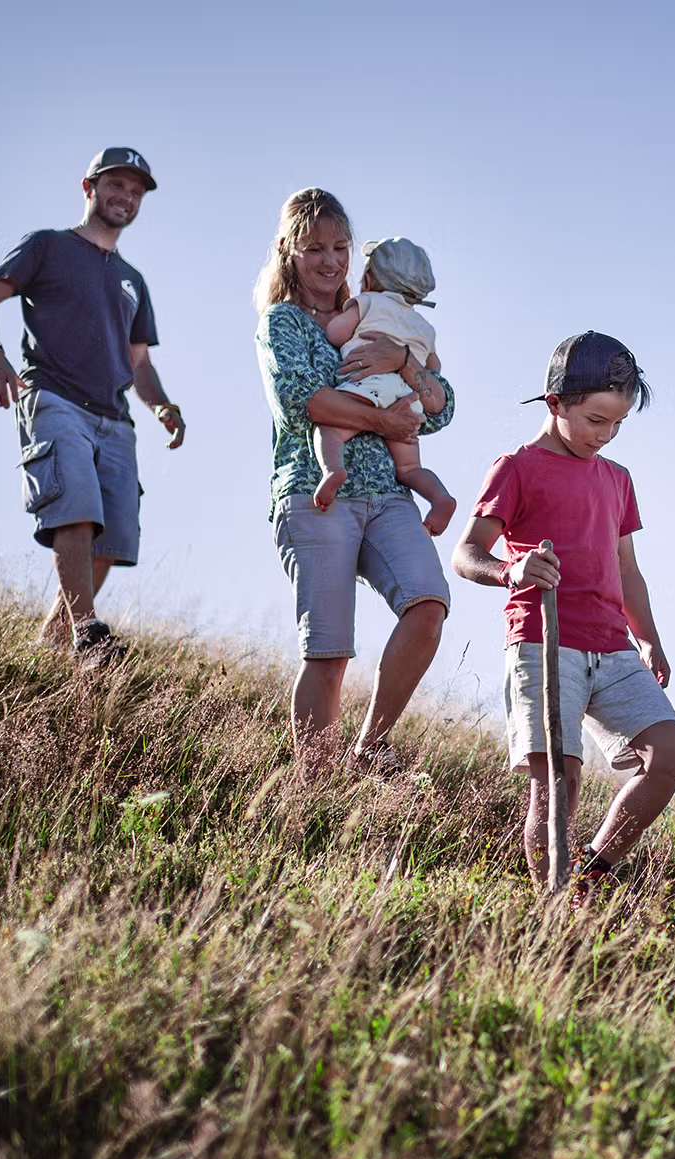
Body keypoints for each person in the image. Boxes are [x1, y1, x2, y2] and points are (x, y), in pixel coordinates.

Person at [452, 332, 675, 892]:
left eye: (616, 425)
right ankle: (553, 908)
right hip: (542, 640)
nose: (604, 436)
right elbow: (466, 554)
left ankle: (589, 870)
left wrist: (649, 638)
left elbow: (627, 569)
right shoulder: (516, 467)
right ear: (554, 401)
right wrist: (509, 571)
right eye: (594, 420)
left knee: (671, 754)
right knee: (559, 783)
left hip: (613, 646)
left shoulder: (617, 479)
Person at [0, 146, 188, 663]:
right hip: (55, 398)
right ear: (89, 188)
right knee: (77, 510)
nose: (125, 198)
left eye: (135, 192)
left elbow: (139, 364)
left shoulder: (134, 279)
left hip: (115, 420)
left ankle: (53, 639)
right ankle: (87, 631)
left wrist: (161, 406)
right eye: (116, 186)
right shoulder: (47, 247)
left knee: (113, 538)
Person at [254, 188, 453, 771]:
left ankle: (369, 747)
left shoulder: (381, 312)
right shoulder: (283, 323)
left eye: (340, 246)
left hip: (389, 493)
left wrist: (404, 364)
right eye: (314, 248)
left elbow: (441, 409)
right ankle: (314, 786)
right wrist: (386, 418)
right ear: (290, 253)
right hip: (315, 489)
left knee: (428, 603)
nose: (330, 260)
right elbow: (302, 401)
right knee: (329, 649)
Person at [316, 237, 457, 536]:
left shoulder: (368, 303)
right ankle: (440, 498)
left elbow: (336, 333)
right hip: (408, 399)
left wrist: (337, 324)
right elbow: (435, 369)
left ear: (368, 279)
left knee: (327, 432)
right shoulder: (424, 326)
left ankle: (333, 470)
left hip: (369, 386)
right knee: (409, 469)